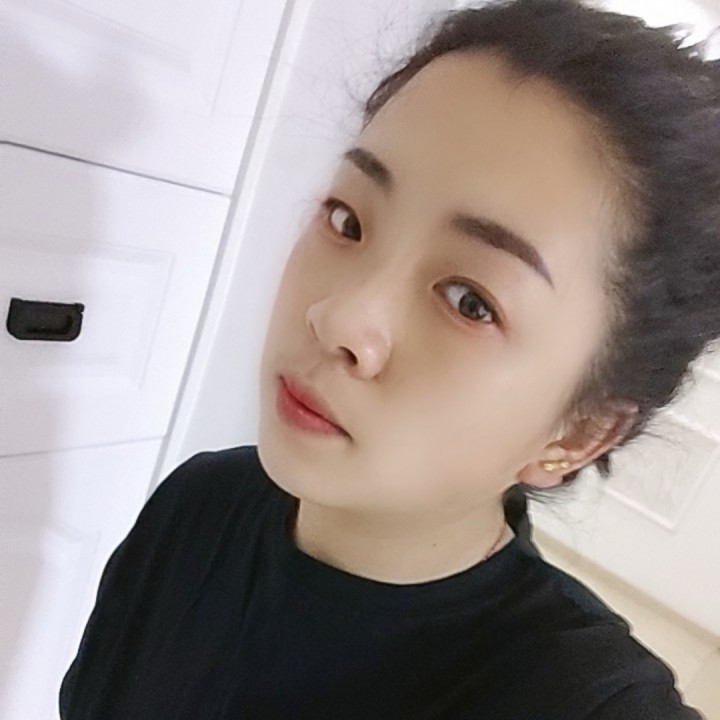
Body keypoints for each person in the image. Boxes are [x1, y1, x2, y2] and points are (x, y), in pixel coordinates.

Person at [60, 0, 719, 717]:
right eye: (348, 220)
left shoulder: (586, 702)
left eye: (470, 301)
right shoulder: (199, 504)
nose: (337, 316)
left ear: (580, 432)